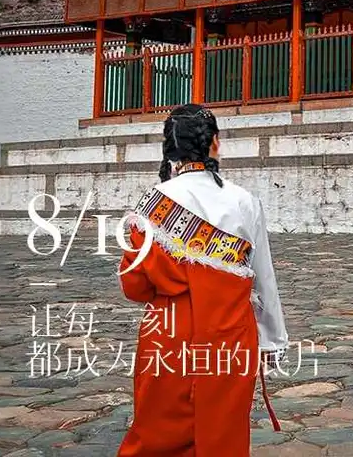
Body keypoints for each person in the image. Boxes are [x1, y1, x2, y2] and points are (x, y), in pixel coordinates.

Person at [116, 103, 288, 456]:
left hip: (169, 331)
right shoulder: (245, 201)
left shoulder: (153, 204)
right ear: (215, 142)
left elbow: (134, 286)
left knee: (158, 430)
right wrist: (272, 341)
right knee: (223, 432)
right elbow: (263, 279)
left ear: (170, 149)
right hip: (231, 332)